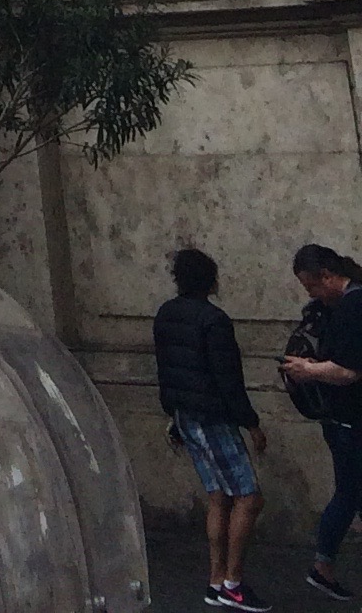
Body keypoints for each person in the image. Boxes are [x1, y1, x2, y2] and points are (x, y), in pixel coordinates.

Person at [153, 245, 267, 608]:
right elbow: (229, 380)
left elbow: (165, 369)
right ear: (211, 280)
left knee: (218, 496)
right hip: (213, 418)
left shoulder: (166, 314)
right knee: (248, 497)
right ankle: (233, 583)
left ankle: (216, 579)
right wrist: (252, 424)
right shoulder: (214, 320)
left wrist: (173, 414)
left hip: (185, 415)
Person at [281, 244, 362, 598]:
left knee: (347, 494)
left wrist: (308, 370)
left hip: (348, 419)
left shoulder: (352, 306)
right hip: (347, 419)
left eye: (311, 286)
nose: (311, 295)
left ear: (327, 277)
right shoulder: (348, 302)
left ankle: (322, 565)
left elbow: (348, 372)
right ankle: (322, 566)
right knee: (351, 492)